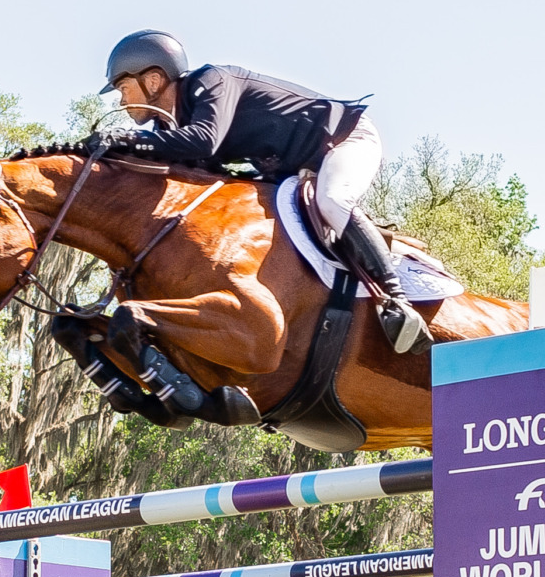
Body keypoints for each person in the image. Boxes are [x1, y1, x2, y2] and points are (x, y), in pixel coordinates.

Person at [99, 30, 433, 355]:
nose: (122, 100)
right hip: (293, 169)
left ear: (153, 81)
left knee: (332, 199)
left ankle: (396, 299)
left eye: (124, 88)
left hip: (343, 139)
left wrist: (124, 139)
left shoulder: (210, 82)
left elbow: (204, 141)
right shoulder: (168, 127)